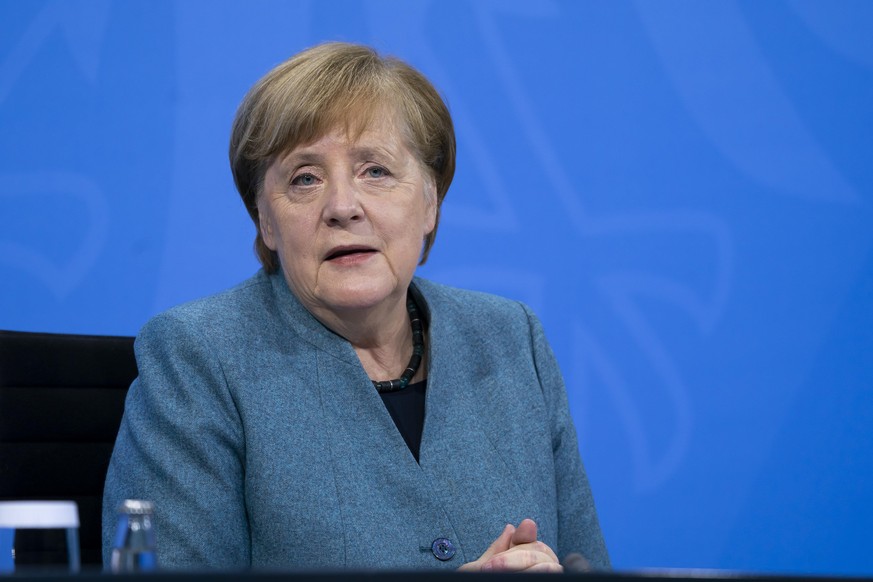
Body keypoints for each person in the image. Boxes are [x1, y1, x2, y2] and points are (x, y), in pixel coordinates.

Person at [102, 42, 609, 572]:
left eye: (375, 171)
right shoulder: (199, 358)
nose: (343, 207)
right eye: (304, 178)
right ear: (265, 220)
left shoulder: (511, 337)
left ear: (431, 200)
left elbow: (586, 565)